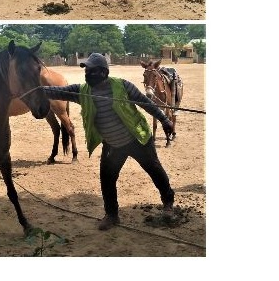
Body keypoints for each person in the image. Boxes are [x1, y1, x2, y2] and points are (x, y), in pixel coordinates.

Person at [38, 53, 176, 231]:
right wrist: (38, 89)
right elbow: (59, 91)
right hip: (112, 145)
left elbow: (145, 103)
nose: (87, 74)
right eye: (86, 70)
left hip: (137, 138)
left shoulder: (123, 86)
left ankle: (168, 204)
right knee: (107, 178)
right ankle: (112, 215)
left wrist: (165, 120)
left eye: (90, 71)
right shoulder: (83, 91)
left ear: (103, 72)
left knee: (155, 170)